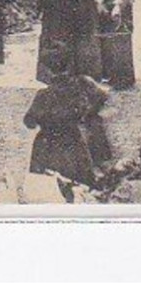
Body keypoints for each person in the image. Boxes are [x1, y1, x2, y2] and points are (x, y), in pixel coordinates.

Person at [23, 46, 99, 187]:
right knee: (79, 185)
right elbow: (87, 111)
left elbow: (29, 122)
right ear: (68, 65)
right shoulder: (78, 90)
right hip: (72, 141)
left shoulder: (43, 95)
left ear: (47, 69)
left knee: (45, 185)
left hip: (47, 145)